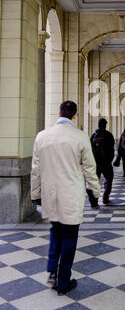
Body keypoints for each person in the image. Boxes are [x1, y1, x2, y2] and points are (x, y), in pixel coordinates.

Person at [31, 101, 100, 296]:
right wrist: (95, 190)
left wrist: (35, 195)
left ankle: (52, 270)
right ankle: (63, 281)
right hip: (71, 196)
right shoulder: (80, 137)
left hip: (50, 195)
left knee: (56, 231)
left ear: (59, 113)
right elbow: (89, 168)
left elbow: (35, 170)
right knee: (70, 236)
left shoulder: (42, 136)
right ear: (75, 116)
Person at [90, 118, 115, 206]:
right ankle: (105, 198)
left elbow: (90, 149)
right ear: (105, 125)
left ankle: (94, 201)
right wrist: (110, 160)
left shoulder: (93, 136)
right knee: (109, 179)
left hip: (96, 163)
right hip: (106, 163)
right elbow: (112, 149)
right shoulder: (109, 135)